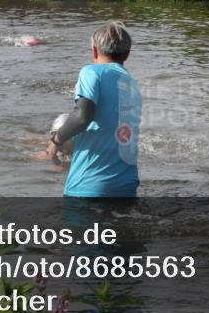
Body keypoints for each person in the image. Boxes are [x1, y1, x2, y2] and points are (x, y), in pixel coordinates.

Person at [47, 22, 142, 198]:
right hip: (127, 186)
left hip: (89, 186)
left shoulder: (91, 72)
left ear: (95, 50)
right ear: (127, 54)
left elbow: (83, 116)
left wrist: (56, 140)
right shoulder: (131, 84)